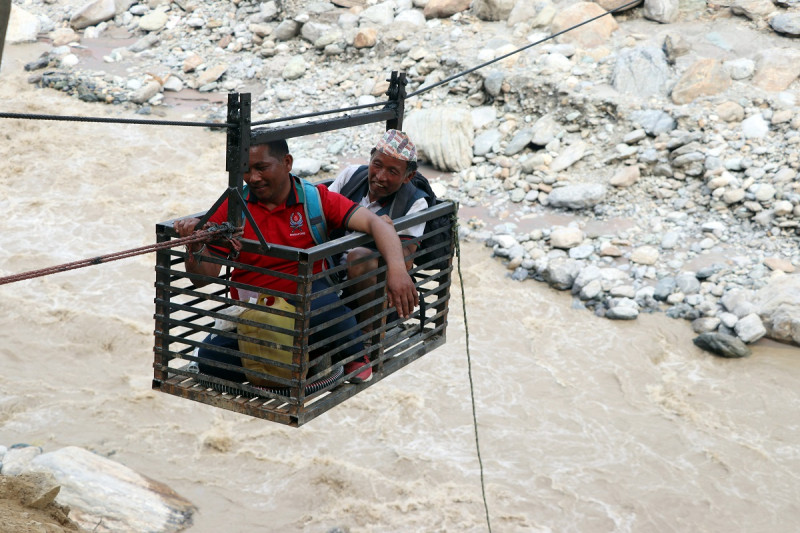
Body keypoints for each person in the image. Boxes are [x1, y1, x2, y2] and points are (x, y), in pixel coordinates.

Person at [174, 138, 418, 385]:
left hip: (305, 309)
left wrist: (398, 272)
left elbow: (377, 223)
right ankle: (303, 362)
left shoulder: (314, 200)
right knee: (209, 358)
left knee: (321, 299)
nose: (253, 177)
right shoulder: (233, 207)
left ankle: (349, 354)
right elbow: (202, 277)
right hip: (255, 313)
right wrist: (195, 245)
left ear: (287, 163)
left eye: (261, 168)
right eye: (246, 170)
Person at [327, 129, 428, 333]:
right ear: (371, 158)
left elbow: (406, 260)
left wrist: (379, 231)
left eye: (392, 172)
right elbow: (320, 215)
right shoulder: (351, 176)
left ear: (408, 177)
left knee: (359, 257)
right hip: (330, 274)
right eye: (377, 165)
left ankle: (368, 336)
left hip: (371, 292)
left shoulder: (415, 202)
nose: (380, 177)